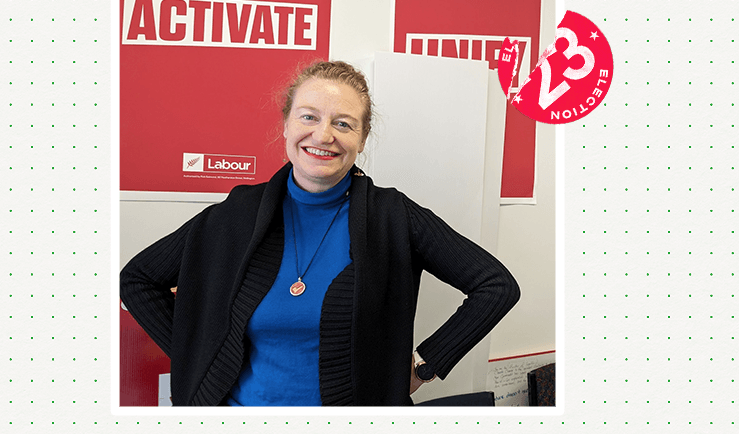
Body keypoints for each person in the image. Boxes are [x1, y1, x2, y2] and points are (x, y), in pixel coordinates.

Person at [120, 60, 520, 406]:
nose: (324, 135)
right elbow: (137, 280)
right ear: (286, 125)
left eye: (343, 123)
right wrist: (198, 355)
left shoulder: (393, 216)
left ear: (362, 139)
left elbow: (496, 286)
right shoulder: (235, 214)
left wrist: (424, 365)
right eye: (309, 116)